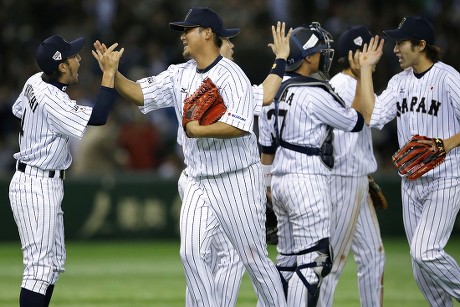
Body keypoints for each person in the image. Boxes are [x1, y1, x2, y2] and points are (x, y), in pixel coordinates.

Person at [93, 7, 287, 307]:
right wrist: (113, 75)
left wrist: (199, 129)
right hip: (198, 181)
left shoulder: (232, 75)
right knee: (190, 253)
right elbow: (141, 94)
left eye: (189, 29)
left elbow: (239, 126)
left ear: (207, 33)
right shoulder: (178, 74)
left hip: (237, 179)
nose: (183, 35)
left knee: (253, 258)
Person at [178, 21, 291, 307]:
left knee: (238, 257)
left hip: (236, 178)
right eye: (229, 41)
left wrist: (281, 60)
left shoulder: (235, 85)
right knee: (202, 256)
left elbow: (266, 94)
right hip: (198, 176)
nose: (233, 46)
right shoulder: (184, 77)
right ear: (215, 41)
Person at [352, 16, 460, 307]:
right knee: (420, 266)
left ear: (421, 45)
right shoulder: (399, 82)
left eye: (401, 42)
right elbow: (372, 117)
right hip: (410, 183)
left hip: (446, 178)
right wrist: (364, 70)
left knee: (425, 252)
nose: (395, 48)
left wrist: (445, 144)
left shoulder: (448, 77)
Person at [8, 35, 123, 307]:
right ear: (61, 67)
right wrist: (109, 73)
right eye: (73, 56)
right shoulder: (49, 96)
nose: (78, 59)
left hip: (38, 179)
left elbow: (18, 111)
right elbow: (99, 117)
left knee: (53, 265)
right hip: (36, 183)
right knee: (39, 269)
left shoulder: (34, 81)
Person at [258, 22, 365, 307]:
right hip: (306, 179)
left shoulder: (272, 89)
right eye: (319, 51)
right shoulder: (316, 93)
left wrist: (267, 189)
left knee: (286, 263)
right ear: (307, 58)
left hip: (279, 181)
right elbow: (358, 120)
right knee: (311, 263)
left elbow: (266, 151)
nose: (323, 55)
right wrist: (364, 72)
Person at [317, 25, 385, 307]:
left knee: (373, 256)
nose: (376, 58)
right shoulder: (346, 85)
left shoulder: (350, 83)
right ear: (357, 55)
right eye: (370, 51)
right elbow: (365, 124)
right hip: (344, 180)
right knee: (331, 264)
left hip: (354, 178)